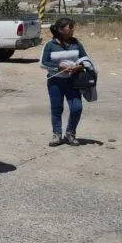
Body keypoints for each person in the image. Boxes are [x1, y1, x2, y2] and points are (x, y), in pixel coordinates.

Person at [40, 17, 88, 147]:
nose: (73, 30)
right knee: (57, 109)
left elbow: (86, 60)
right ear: (61, 30)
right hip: (55, 82)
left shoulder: (76, 43)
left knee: (77, 108)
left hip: (73, 81)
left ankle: (70, 133)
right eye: (70, 27)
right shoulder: (50, 45)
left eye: (73, 27)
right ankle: (57, 134)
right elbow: (43, 63)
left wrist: (80, 66)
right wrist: (59, 67)